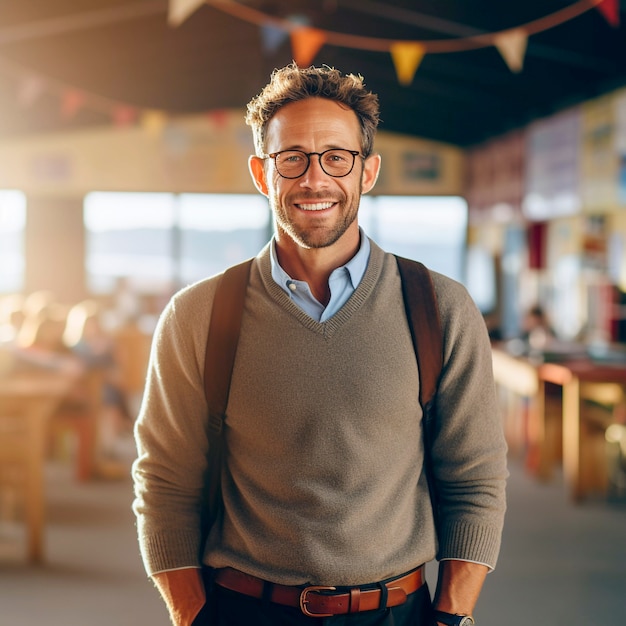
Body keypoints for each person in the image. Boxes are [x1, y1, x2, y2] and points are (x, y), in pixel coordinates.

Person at [132, 63, 508, 626]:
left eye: (337, 156)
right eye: (293, 159)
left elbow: (475, 479)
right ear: (263, 173)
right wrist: (192, 615)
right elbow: (164, 481)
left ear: (368, 172)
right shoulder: (199, 314)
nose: (315, 179)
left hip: (398, 613)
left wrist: (451, 617)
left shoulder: (440, 308)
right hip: (242, 610)